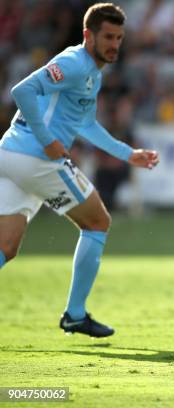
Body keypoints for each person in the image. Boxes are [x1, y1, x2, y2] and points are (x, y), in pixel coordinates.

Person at [0, 3, 159, 338]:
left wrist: (128, 154)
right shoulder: (73, 62)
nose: (114, 44)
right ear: (88, 35)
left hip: (11, 156)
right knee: (97, 221)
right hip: (36, 158)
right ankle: (74, 314)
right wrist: (46, 141)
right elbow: (22, 90)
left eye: (119, 37)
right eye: (107, 37)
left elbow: (86, 124)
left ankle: (75, 314)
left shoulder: (92, 73)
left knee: (6, 247)